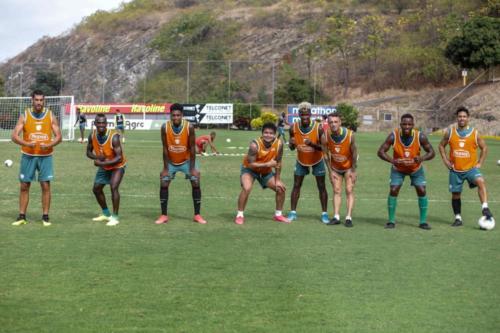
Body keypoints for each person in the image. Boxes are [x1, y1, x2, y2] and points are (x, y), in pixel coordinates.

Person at [11, 89, 62, 226]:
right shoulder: (25, 115)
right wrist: (26, 143)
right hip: (28, 155)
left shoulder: (50, 115)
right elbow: (14, 136)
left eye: (41, 100)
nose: (39, 102)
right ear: (32, 100)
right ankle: (22, 216)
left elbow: (59, 136)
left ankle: (45, 217)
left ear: (44, 101)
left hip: (45, 156)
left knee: (45, 185)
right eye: (36, 100)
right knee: (24, 185)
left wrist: (50, 144)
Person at [377, 113, 435, 230]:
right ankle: (391, 221)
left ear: (413, 125)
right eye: (404, 124)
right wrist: (393, 161)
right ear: (401, 125)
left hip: (416, 169)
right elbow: (381, 152)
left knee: (422, 190)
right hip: (398, 169)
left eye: (409, 124)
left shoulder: (420, 136)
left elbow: (432, 152)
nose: (407, 126)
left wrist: (421, 158)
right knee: (393, 189)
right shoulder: (394, 136)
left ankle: (423, 222)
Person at [438, 106, 494, 226]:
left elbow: (484, 148)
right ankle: (458, 218)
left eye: (464, 116)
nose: (462, 118)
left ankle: (485, 207)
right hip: (455, 170)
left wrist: (480, 163)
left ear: (468, 118)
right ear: (457, 118)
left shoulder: (475, 133)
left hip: (471, 169)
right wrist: (445, 161)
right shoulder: (450, 132)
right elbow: (441, 146)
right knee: (456, 194)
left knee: (480, 181)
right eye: (460, 116)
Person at [155, 103, 207, 225]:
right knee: (164, 182)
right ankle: (163, 215)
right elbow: (165, 148)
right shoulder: (165, 127)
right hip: (171, 161)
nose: (176, 118)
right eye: (173, 115)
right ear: (170, 116)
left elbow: (192, 148)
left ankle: (197, 215)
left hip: (187, 161)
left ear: (182, 115)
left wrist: (193, 168)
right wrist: (165, 168)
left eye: (178, 115)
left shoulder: (189, 127)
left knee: (195, 181)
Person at [235, 122, 289, 225]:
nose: (268, 135)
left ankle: (278, 215)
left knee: (281, 188)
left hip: (265, 172)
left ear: (274, 134)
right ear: (262, 133)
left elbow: (278, 163)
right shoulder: (254, 145)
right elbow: (250, 165)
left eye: (271, 133)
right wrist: (268, 164)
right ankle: (240, 215)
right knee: (247, 188)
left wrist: (277, 180)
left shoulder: (279, 144)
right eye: (266, 132)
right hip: (249, 170)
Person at [288, 101, 329, 223]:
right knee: (296, 185)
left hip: (317, 160)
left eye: (307, 114)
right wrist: (292, 144)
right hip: (301, 160)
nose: (305, 117)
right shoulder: (293, 127)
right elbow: (291, 146)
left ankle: (324, 214)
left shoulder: (319, 128)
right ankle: (293, 212)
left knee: (321, 186)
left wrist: (311, 144)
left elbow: (324, 148)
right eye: (302, 114)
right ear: (299, 114)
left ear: (310, 114)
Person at [86, 113, 126, 226]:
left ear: (107, 124)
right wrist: (97, 157)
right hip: (104, 166)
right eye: (99, 123)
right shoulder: (92, 135)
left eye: (103, 123)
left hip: (118, 166)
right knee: (96, 189)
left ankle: (115, 217)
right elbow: (88, 152)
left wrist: (101, 163)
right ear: (95, 124)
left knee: (114, 187)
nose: (101, 125)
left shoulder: (114, 137)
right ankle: (106, 214)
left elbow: (119, 158)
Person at [321, 113, 358, 227]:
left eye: (336, 122)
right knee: (337, 190)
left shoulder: (350, 135)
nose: (333, 124)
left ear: (340, 122)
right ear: (328, 123)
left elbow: (355, 152)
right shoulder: (325, 136)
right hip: (335, 168)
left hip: (348, 167)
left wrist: (353, 170)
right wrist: (330, 171)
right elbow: (325, 154)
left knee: (349, 190)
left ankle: (348, 218)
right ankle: (336, 216)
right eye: (331, 122)